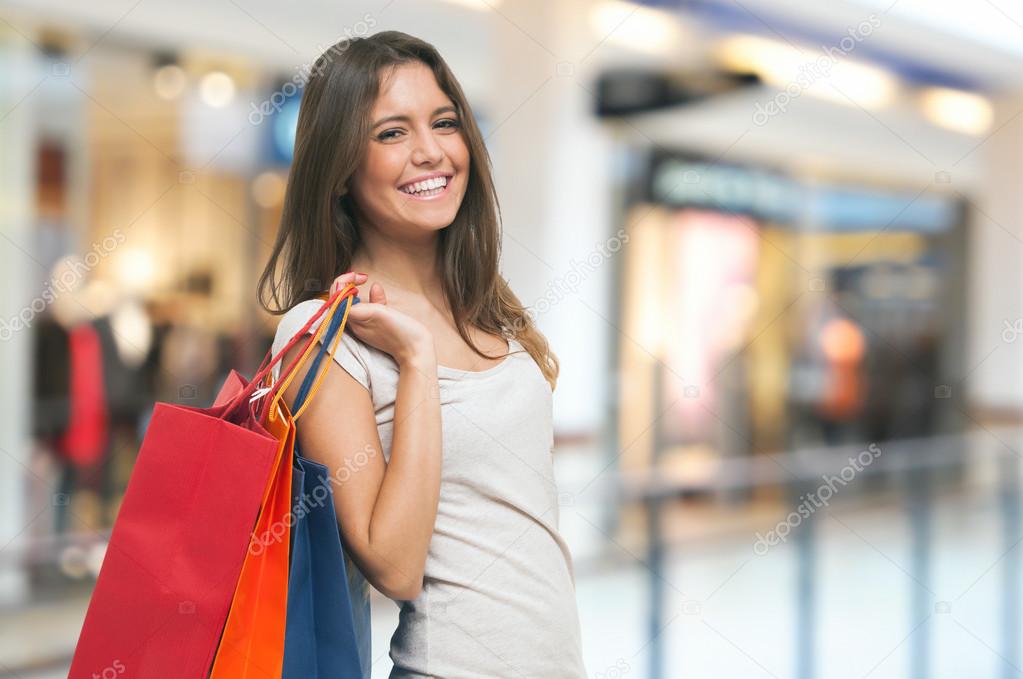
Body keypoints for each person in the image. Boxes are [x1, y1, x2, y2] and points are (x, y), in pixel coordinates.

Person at [259, 30, 587, 679]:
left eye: (444, 122)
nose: (430, 151)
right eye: (391, 133)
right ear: (341, 170)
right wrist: (414, 361)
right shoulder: (323, 333)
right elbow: (394, 564)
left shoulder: (489, 309)